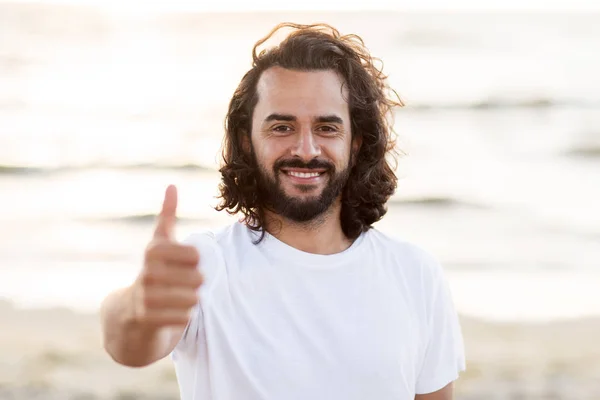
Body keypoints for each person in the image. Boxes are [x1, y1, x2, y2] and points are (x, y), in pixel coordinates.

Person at [100, 22, 466, 400]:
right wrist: (137, 308)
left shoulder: (415, 274)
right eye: (281, 127)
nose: (306, 149)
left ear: (355, 144)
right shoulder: (207, 265)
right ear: (248, 141)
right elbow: (128, 346)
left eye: (326, 128)